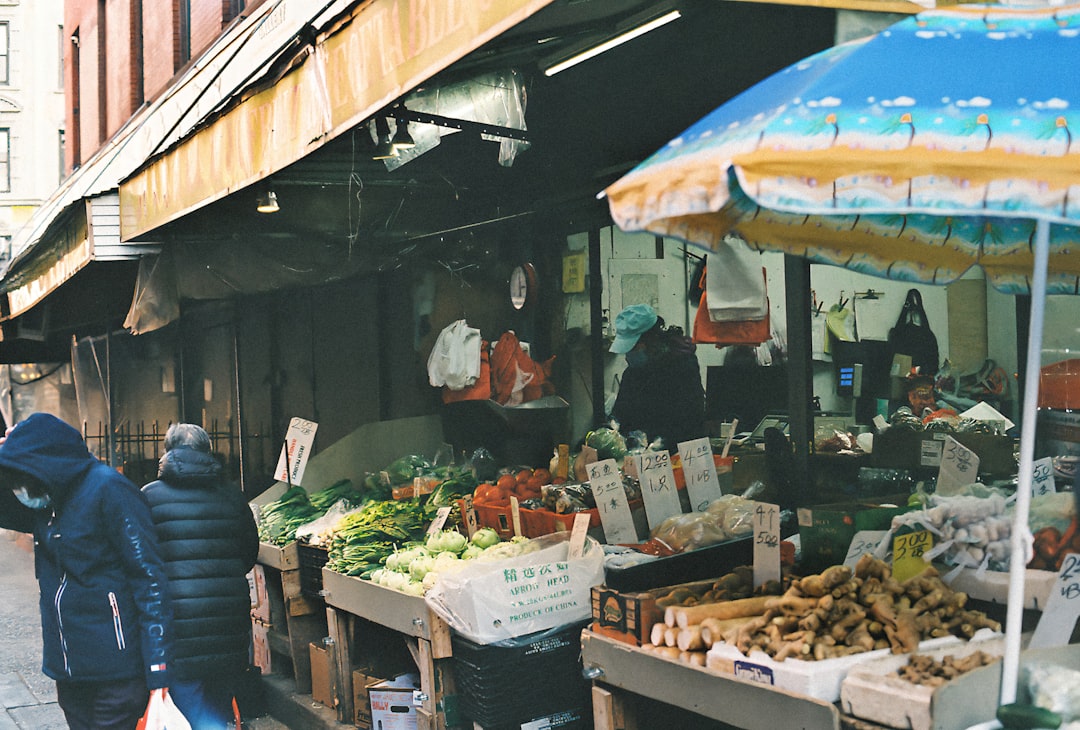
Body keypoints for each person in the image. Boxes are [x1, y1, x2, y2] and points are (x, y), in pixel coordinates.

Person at [0, 412, 174, 729]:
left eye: (23, 476)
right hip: (69, 669)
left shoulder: (109, 489)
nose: (19, 487)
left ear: (48, 462)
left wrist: (158, 670)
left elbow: (150, 580)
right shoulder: (46, 497)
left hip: (117, 672)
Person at [141, 424, 259, 730]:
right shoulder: (233, 496)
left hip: (177, 621)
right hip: (228, 617)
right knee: (220, 700)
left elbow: (140, 560)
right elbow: (248, 553)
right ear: (208, 452)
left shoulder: (148, 498)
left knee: (188, 705)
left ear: (166, 452)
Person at [608, 303, 706, 448]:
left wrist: (656, 443)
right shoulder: (631, 374)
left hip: (678, 454)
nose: (630, 353)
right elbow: (620, 415)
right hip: (640, 455)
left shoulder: (682, 366)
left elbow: (690, 419)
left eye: (634, 347)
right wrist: (609, 432)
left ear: (650, 340)